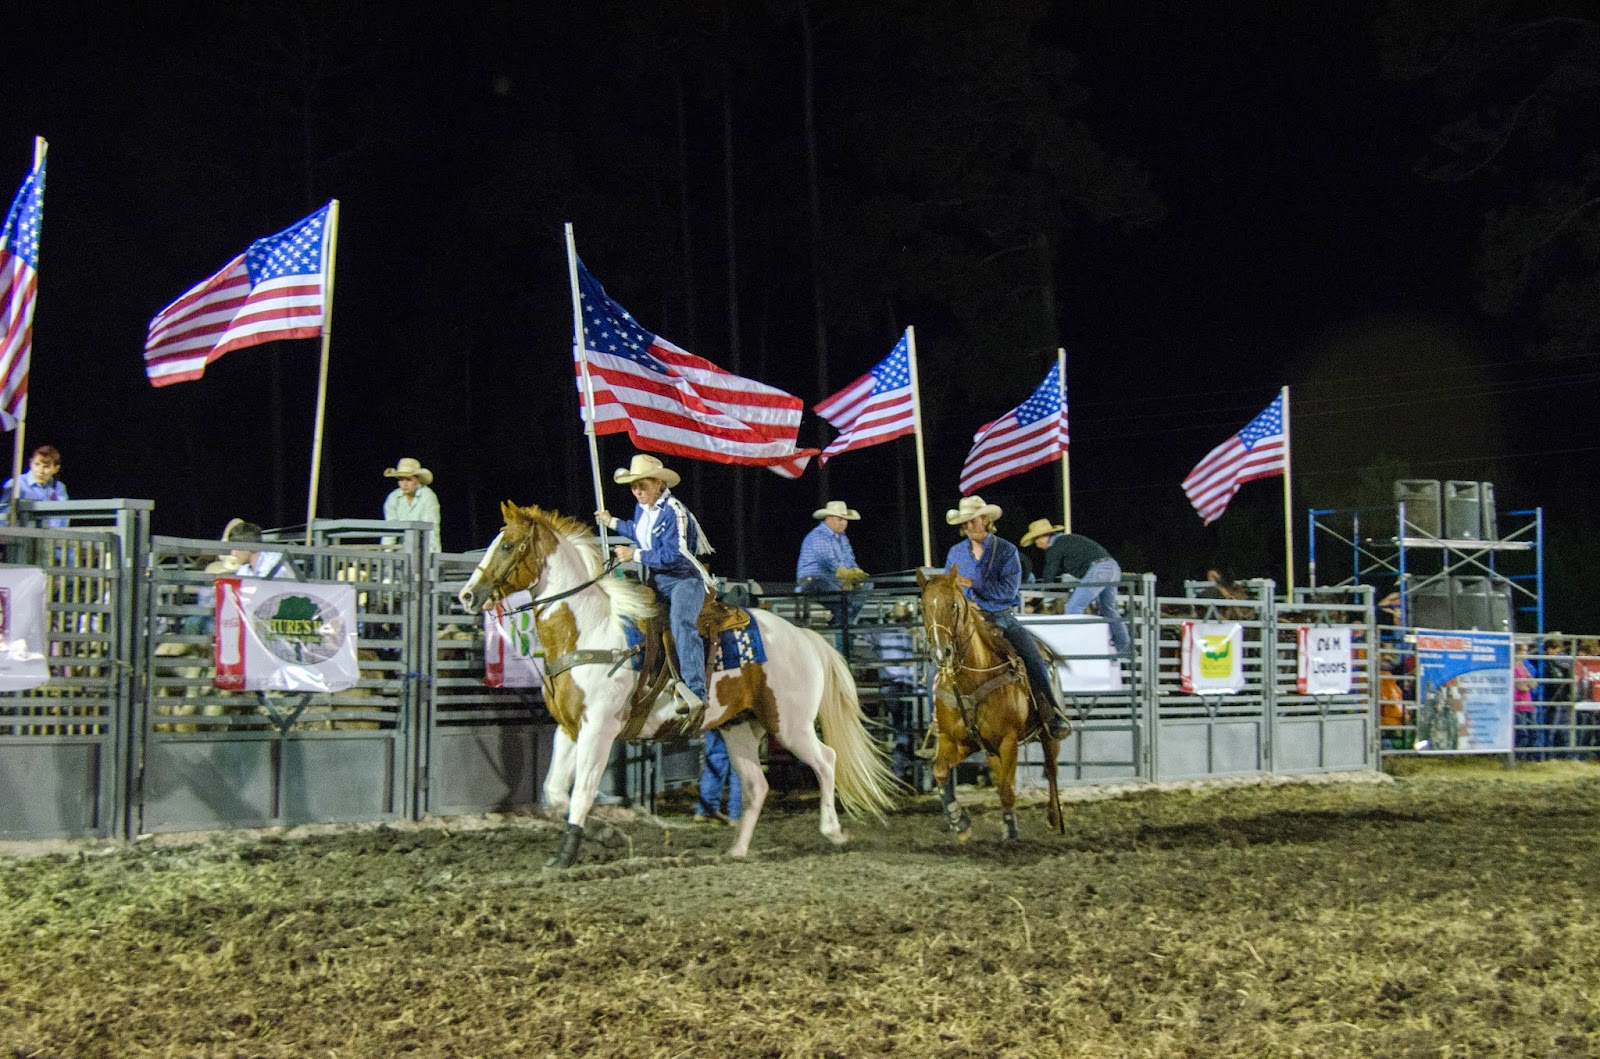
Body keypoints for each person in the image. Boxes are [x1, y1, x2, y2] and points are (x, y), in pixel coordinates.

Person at [596, 454, 713, 713]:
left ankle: (696, 691)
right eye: (634, 486)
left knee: (681, 623)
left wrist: (634, 555)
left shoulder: (675, 511)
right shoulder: (643, 508)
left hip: (684, 580)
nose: (637, 491)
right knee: (629, 612)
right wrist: (611, 521)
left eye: (642, 485)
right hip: (657, 579)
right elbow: (639, 531)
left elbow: (677, 553)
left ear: (658, 485)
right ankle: (644, 674)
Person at [944, 495, 1067, 737]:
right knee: (937, 668)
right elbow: (950, 586)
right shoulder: (956, 553)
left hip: (1000, 616)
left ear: (986, 520)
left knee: (1032, 656)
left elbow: (1008, 591)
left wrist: (973, 584)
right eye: (964, 523)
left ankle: (1050, 712)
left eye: (972, 521)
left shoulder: (1006, 551)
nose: (968, 527)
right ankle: (938, 724)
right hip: (967, 620)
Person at [1024, 520, 1132, 656]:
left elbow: (1050, 573)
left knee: (1073, 607)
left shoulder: (1055, 546)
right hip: (1112, 567)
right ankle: (1124, 646)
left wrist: (1037, 594)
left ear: (1043, 537)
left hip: (1099, 569)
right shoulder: (1066, 541)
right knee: (1108, 608)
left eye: (1036, 540)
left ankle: (1076, 647)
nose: (1036, 544)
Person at [796, 500, 869, 626]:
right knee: (842, 600)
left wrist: (856, 573)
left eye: (845, 520)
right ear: (828, 519)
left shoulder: (842, 538)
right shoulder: (817, 535)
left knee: (867, 585)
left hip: (834, 582)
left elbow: (850, 560)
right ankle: (844, 628)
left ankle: (845, 624)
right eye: (840, 519)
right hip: (813, 581)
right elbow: (828, 561)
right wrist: (847, 575)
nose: (844, 523)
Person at [1, 445, 69, 527]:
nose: (40, 471)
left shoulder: (59, 487)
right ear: (31, 463)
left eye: (46, 467)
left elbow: (64, 516)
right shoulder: (16, 484)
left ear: (56, 468)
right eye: (37, 464)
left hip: (51, 537)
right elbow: (3, 516)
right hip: (21, 536)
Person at [382, 457, 441, 551]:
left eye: (408, 480)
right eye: (401, 480)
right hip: (402, 551)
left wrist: (432, 558)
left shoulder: (427, 497)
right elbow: (390, 530)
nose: (404, 484)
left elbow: (432, 530)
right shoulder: (393, 498)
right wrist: (387, 555)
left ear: (417, 480)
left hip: (423, 550)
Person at [694, 728, 743, 825]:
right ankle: (735, 815)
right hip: (739, 719)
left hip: (714, 719)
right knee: (740, 765)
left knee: (716, 759)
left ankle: (706, 811)